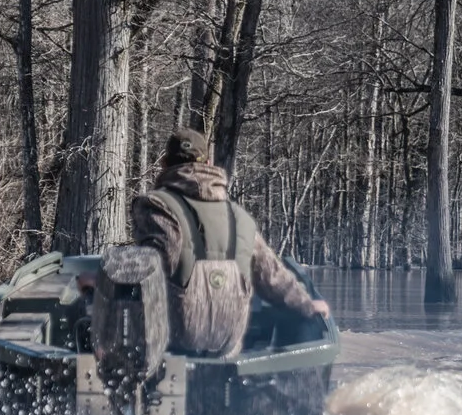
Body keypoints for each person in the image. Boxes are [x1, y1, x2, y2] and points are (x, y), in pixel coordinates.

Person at [127, 129, 328, 358]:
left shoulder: (155, 204)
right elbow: (272, 277)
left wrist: (106, 279)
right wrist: (307, 305)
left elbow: (155, 263)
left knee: (113, 307)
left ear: (164, 163)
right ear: (209, 163)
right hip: (227, 341)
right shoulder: (238, 217)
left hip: (172, 340)